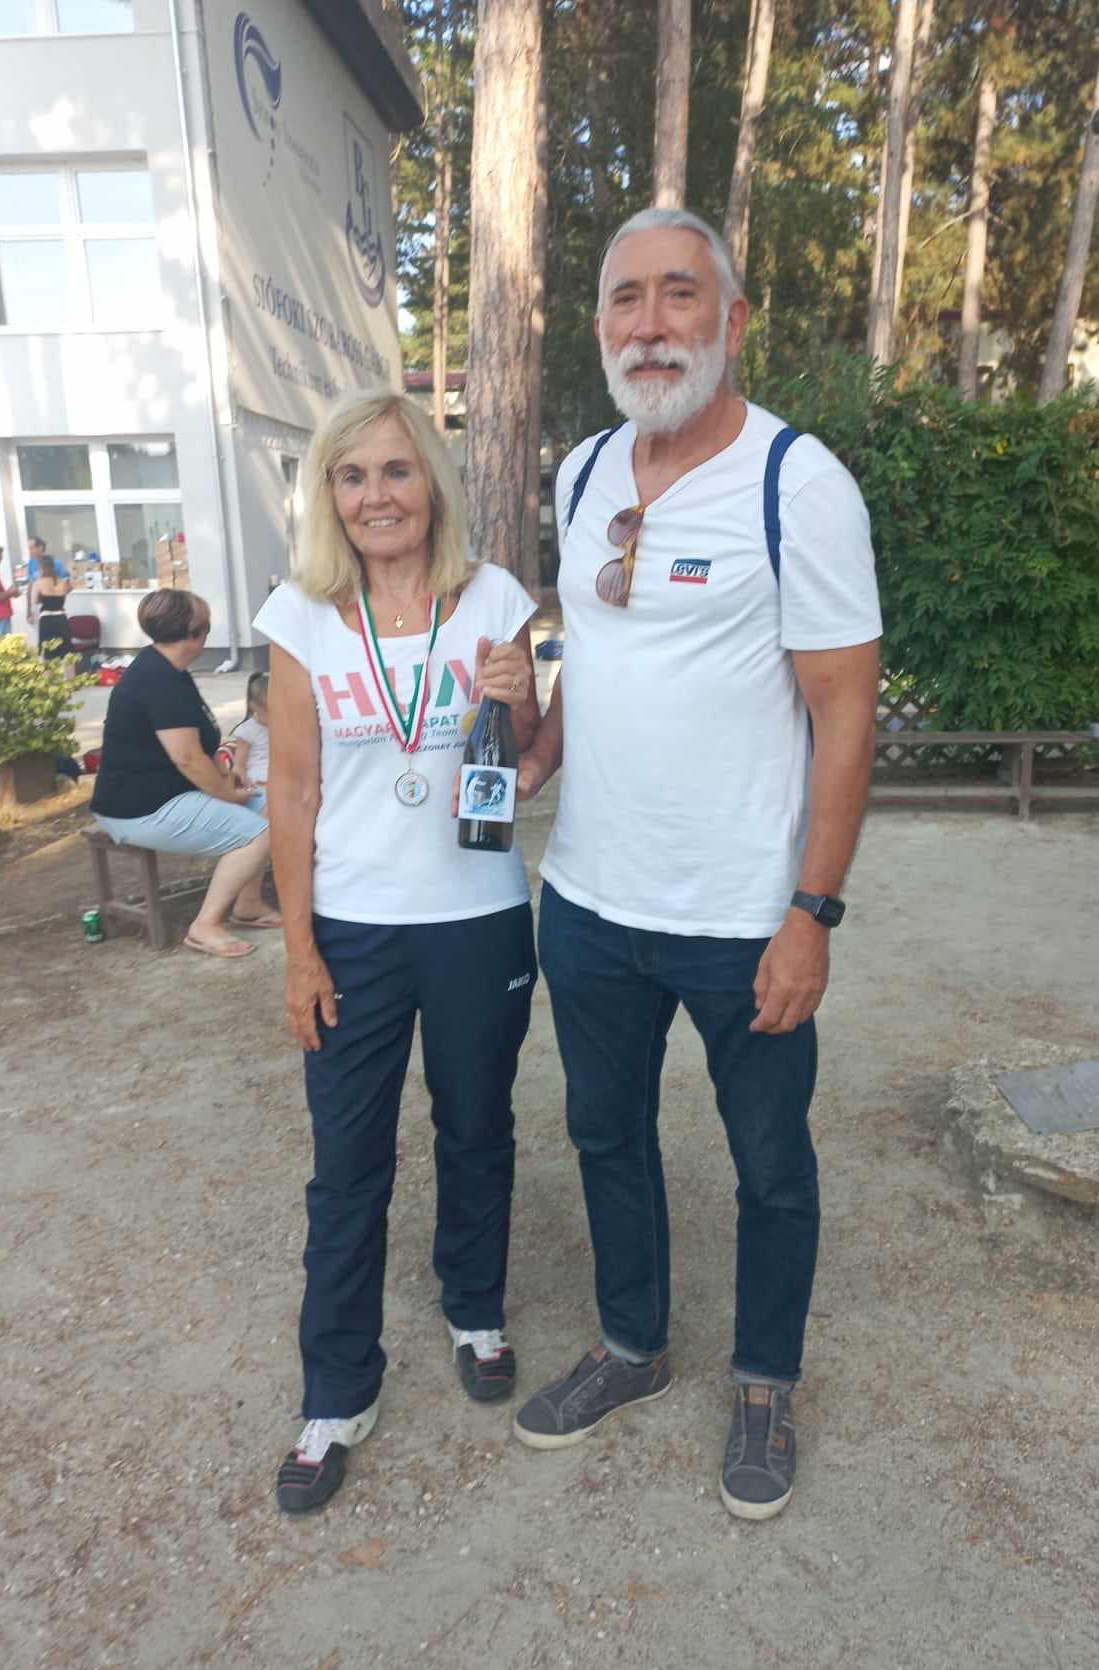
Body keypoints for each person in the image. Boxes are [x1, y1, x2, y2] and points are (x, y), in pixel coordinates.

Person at [510, 208, 883, 1522]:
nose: (651, 324)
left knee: (768, 1157)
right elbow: (595, 653)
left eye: (679, 295)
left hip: (742, 917)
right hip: (589, 901)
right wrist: (535, 751)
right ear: (598, 326)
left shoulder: (796, 483)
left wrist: (810, 913)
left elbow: (845, 714)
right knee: (604, 1130)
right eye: (626, 299)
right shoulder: (582, 473)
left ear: (731, 319)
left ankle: (765, 1380)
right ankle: (631, 1342)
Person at [253, 389, 540, 1514]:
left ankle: (474, 1307)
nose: (376, 496)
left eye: (395, 470)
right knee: (347, 1166)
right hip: (355, 928)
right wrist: (298, 950)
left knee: (476, 1128)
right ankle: (336, 1390)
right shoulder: (302, 616)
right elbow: (291, 791)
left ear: (431, 483)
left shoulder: (495, 598)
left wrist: (518, 698)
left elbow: (522, 759)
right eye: (352, 475)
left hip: (476, 917)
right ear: (329, 495)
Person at [90, 589, 281, 958]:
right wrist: (225, 793)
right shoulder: (158, 680)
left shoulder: (169, 670)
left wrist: (227, 775)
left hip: (170, 793)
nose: (209, 631)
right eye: (207, 624)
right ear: (195, 633)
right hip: (138, 808)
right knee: (261, 833)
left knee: (274, 805)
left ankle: (248, 904)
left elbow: (200, 745)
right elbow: (188, 758)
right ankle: (205, 925)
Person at [230, 672, 270, 806]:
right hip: (259, 783)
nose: (275, 716)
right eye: (269, 711)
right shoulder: (248, 730)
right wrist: (244, 782)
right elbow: (239, 766)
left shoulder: (285, 725)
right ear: (254, 706)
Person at [24, 536, 67, 635]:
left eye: (32, 548)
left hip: (56, 610)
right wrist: (28, 611)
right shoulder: (31, 564)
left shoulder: (56, 564)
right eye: (28, 549)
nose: (30, 551)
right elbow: (30, 588)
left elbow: (64, 587)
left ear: (40, 547)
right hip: (41, 611)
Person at [34, 557, 73, 661]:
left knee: (48, 653)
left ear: (41, 568)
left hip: (46, 619)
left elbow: (35, 601)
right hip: (61, 618)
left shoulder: (39, 583)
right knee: (66, 652)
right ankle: (70, 672)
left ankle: (50, 672)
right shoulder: (62, 582)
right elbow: (63, 600)